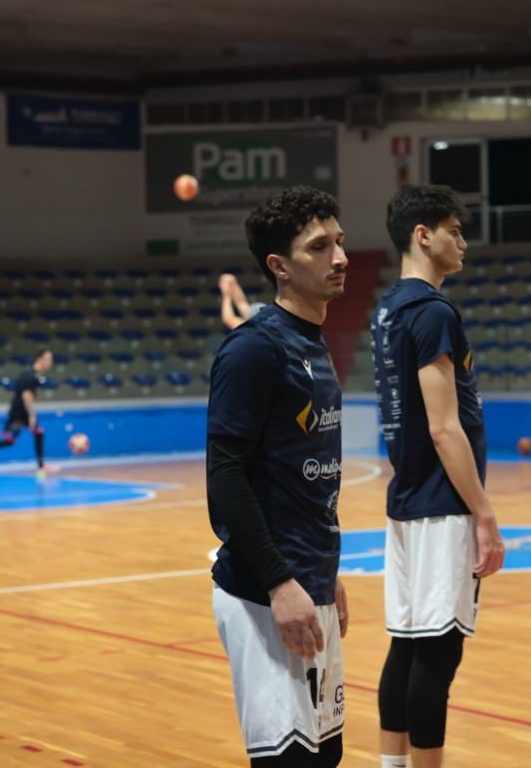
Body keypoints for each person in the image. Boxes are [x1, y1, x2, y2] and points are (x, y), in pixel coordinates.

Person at [207, 186, 349, 766]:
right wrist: (279, 584)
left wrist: (325, 573)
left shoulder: (312, 344)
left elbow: (305, 476)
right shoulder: (253, 351)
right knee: (288, 762)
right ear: (280, 267)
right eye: (320, 247)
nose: (340, 257)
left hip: (309, 581)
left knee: (326, 754)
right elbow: (226, 481)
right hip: (265, 594)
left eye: (339, 241)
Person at [371, 185, 505, 768]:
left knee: (406, 647)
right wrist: (485, 513)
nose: (463, 241)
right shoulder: (431, 312)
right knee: (437, 657)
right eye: (454, 229)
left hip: (406, 500)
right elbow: (444, 428)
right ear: (423, 235)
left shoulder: (386, 310)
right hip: (441, 503)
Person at [0, 348, 54, 475]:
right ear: (39, 359)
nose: (51, 362)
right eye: (48, 359)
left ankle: (41, 466)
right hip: (19, 413)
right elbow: (26, 396)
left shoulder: (34, 375)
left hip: (22, 412)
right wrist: (32, 415)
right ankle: (41, 465)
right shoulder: (31, 376)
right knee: (10, 440)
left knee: (38, 432)